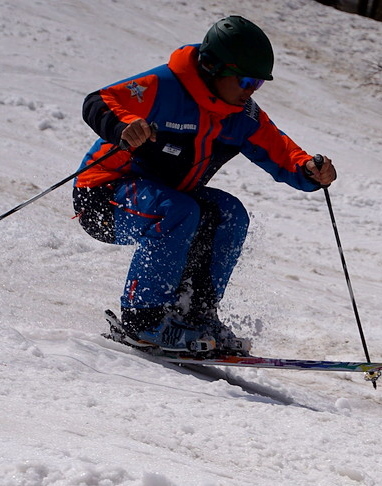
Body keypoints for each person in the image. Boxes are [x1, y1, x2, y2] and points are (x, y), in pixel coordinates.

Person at [73, 15, 336, 354]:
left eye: (257, 83)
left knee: (230, 213)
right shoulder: (164, 86)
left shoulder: (240, 114)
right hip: (102, 197)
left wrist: (310, 169)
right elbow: (99, 101)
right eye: (244, 80)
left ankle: (194, 315)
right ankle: (144, 321)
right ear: (212, 67)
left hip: (169, 201)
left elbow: (281, 150)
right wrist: (124, 125)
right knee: (179, 211)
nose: (250, 91)